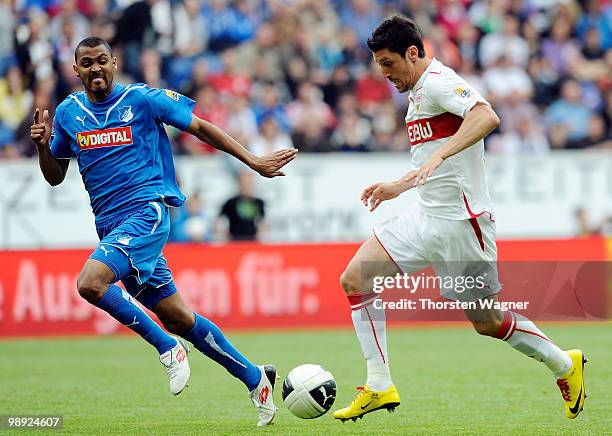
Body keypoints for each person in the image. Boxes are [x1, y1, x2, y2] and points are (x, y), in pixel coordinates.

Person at [30, 37, 297, 427]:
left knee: (90, 284)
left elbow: (202, 127)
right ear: (76, 70)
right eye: (86, 63)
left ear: (115, 62)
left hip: (147, 212)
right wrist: (41, 148)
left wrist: (253, 161)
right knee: (178, 317)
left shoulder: (142, 100)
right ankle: (256, 379)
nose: (96, 69)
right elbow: (55, 177)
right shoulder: (70, 113)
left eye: (102, 60)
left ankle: (168, 349)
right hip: (111, 226)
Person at [333, 15, 586, 422]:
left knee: (487, 322)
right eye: (378, 64)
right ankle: (379, 384)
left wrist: (441, 153)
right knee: (355, 279)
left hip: (462, 226)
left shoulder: (436, 81)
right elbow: (433, 162)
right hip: (424, 217)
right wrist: (400, 185)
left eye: (388, 63)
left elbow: (486, 116)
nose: (383, 73)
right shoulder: (416, 93)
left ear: (412, 53)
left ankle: (564, 364)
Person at [218, 170, 266, 242]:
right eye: (244, 182)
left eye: (249, 183)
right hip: (234, 240)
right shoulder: (231, 202)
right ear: (239, 183)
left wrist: (260, 235)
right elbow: (219, 219)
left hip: (252, 240)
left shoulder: (258, 202)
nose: (246, 185)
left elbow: (262, 221)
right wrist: (224, 234)